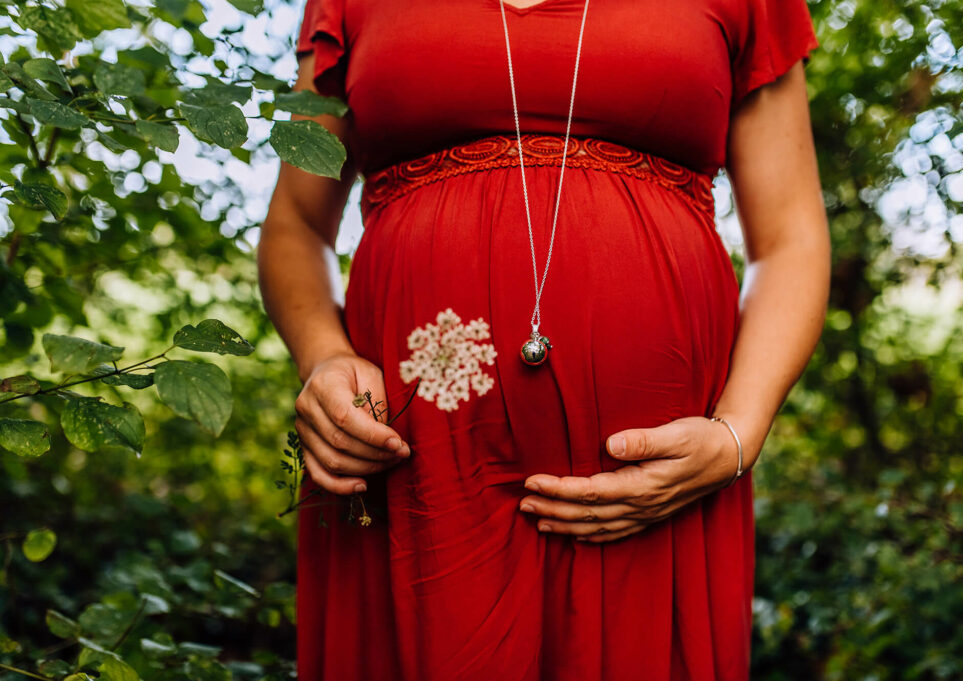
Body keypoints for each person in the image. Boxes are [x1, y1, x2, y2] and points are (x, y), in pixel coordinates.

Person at [257, 0, 830, 678]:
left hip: (657, 486)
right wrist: (323, 355)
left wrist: (738, 432)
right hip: (409, 474)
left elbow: (791, 236)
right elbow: (295, 223)